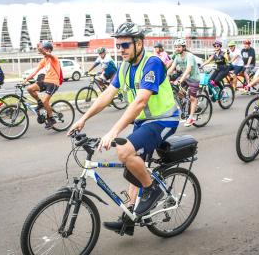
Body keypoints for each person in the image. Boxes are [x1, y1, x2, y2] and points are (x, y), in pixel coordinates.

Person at [68, 22, 179, 235]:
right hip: (142, 122)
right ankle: (129, 217)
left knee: (124, 151)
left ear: (139, 43)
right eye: (118, 46)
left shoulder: (152, 63)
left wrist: (113, 132)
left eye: (125, 45)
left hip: (163, 120)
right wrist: (83, 118)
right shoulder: (125, 66)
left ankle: (151, 189)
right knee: (134, 164)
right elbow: (107, 95)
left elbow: (140, 102)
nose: (120, 50)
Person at [23, 41, 63, 129]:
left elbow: (47, 54)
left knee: (46, 101)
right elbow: (35, 71)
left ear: (49, 50)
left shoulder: (53, 58)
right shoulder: (44, 60)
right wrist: (26, 80)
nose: (43, 53)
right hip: (45, 81)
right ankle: (39, 102)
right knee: (30, 89)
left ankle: (51, 119)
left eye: (45, 50)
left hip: (53, 83)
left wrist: (42, 51)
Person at [167, 38, 200, 127]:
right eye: (176, 47)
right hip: (185, 77)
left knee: (192, 98)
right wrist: (164, 76)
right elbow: (172, 67)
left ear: (184, 47)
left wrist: (180, 80)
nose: (177, 48)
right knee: (176, 90)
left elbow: (188, 69)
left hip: (193, 78)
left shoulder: (189, 56)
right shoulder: (177, 56)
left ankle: (191, 117)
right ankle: (185, 99)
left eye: (179, 47)